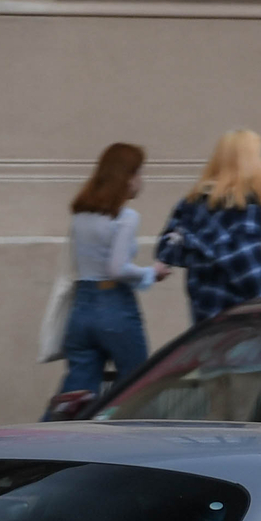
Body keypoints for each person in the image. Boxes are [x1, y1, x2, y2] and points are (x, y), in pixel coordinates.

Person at [59, 142, 172, 398]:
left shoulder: (80, 215)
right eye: (139, 173)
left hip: (81, 309)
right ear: (126, 177)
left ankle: (48, 434)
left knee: (75, 397)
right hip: (114, 307)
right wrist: (151, 273)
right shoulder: (126, 217)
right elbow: (117, 268)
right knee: (136, 389)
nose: (141, 181)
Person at [157, 129, 261, 325]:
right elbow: (247, 263)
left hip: (203, 319)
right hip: (240, 324)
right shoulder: (244, 206)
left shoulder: (191, 204)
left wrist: (198, 245)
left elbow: (166, 250)